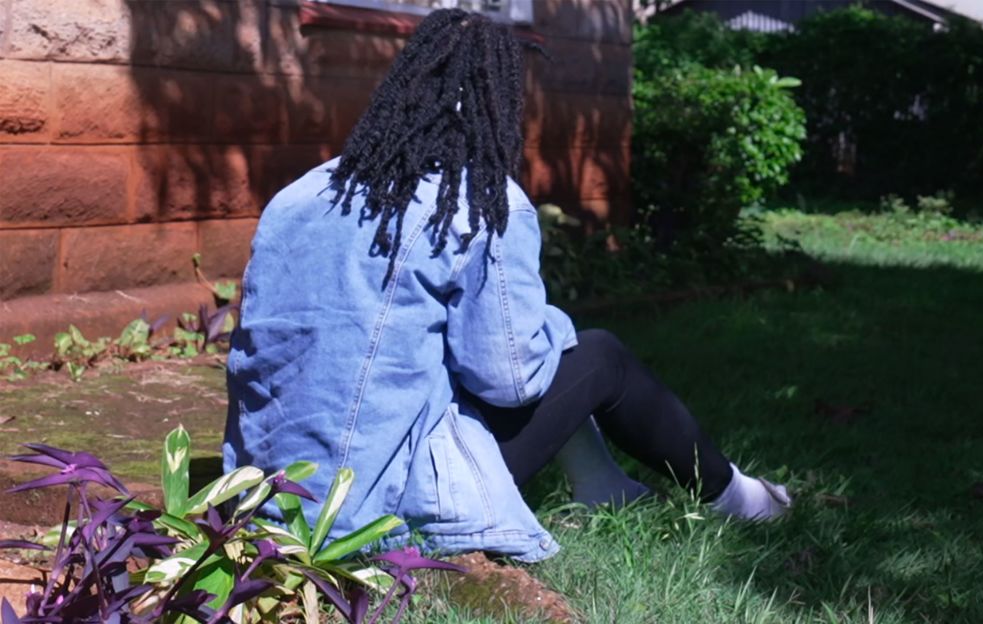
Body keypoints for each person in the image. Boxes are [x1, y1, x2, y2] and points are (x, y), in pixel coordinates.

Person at [222, 8, 790, 563]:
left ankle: (603, 485)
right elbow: (510, 380)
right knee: (598, 355)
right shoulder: (482, 204)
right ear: (493, 106)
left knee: (492, 340)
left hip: (267, 486)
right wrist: (552, 328)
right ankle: (739, 498)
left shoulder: (299, 195)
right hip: (375, 503)